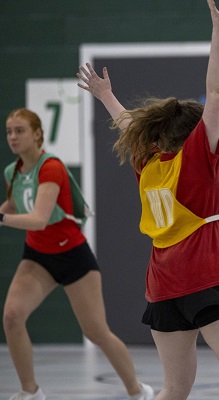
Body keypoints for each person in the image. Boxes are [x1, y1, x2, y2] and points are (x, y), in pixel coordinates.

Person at [76, 1, 219, 399]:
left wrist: (107, 97)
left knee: (174, 389)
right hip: (208, 276)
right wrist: (218, 35)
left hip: (164, 286)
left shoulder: (149, 165)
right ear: (196, 135)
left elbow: (131, 126)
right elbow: (217, 91)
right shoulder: (196, 160)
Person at [1, 108, 154, 400]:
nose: (13, 137)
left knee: (96, 332)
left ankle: (138, 390)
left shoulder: (51, 167)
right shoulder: (13, 172)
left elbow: (39, 218)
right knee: (12, 316)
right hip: (37, 255)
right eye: (9, 131)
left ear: (36, 133)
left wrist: (2, 220)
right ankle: (30, 391)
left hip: (72, 256)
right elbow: (13, 205)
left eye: (19, 130)